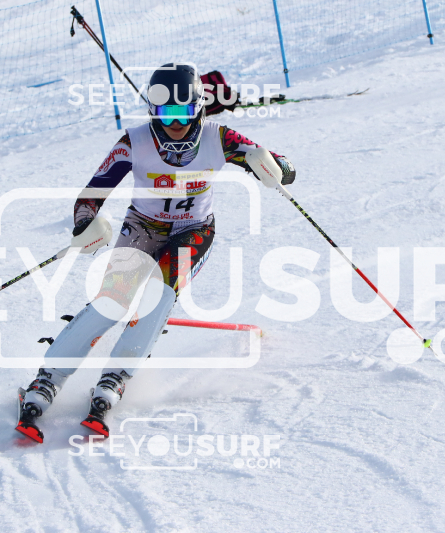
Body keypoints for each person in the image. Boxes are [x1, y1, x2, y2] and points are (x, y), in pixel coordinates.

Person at [16, 63, 296, 442]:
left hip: (193, 231)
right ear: (153, 110)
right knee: (112, 301)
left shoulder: (219, 137)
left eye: (184, 112)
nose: (175, 123)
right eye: (166, 113)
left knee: (159, 295)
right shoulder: (134, 142)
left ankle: (116, 377)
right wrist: (85, 223)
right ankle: (47, 379)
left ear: (198, 108)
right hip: (142, 228)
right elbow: (90, 196)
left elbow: (280, 165)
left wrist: (273, 167)